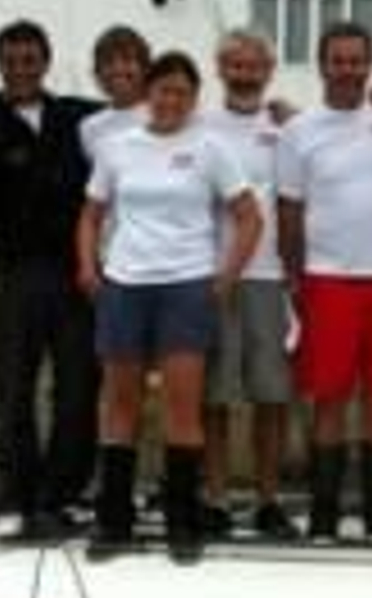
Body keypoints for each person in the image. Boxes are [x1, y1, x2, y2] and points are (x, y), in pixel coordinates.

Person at [76, 51, 261, 562]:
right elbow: (91, 215)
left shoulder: (210, 148)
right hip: (125, 284)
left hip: (185, 285)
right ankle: (113, 520)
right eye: (163, 90)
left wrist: (225, 276)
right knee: (120, 406)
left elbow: (249, 217)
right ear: (149, 94)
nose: (171, 100)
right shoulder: (117, 148)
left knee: (183, 409)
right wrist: (90, 269)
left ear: (194, 98)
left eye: (182, 92)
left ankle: (183, 522)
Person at [0, 19, 98, 541]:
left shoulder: (79, 119)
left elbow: (146, 113)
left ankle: (63, 495)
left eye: (30, 59)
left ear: (46, 61)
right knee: (12, 390)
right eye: (12, 61)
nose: (21, 69)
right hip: (12, 272)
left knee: (78, 387)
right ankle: (17, 495)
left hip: (75, 272)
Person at [277, 21, 372, 541]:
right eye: (338, 59)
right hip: (328, 278)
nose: (348, 69)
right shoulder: (299, 131)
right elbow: (289, 209)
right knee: (329, 400)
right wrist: (294, 277)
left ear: (370, 62)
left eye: (357, 59)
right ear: (322, 64)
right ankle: (325, 516)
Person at [199, 29, 299, 541]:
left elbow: (294, 199)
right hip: (213, 276)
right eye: (235, 65)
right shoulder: (200, 124)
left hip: (268, 275)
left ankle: (268, 499)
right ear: (220, 69)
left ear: (268, 70)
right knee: (214, 397)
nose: (244, 74)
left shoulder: (286, 126)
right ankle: (215, 498)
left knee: (271, 396)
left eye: (253, 66)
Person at [81, 24, 151, 159]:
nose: (118, 69)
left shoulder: (169, 114)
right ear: (97, 73)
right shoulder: (90, 128)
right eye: (108, 62)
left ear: (145, 68)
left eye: (127, 59)